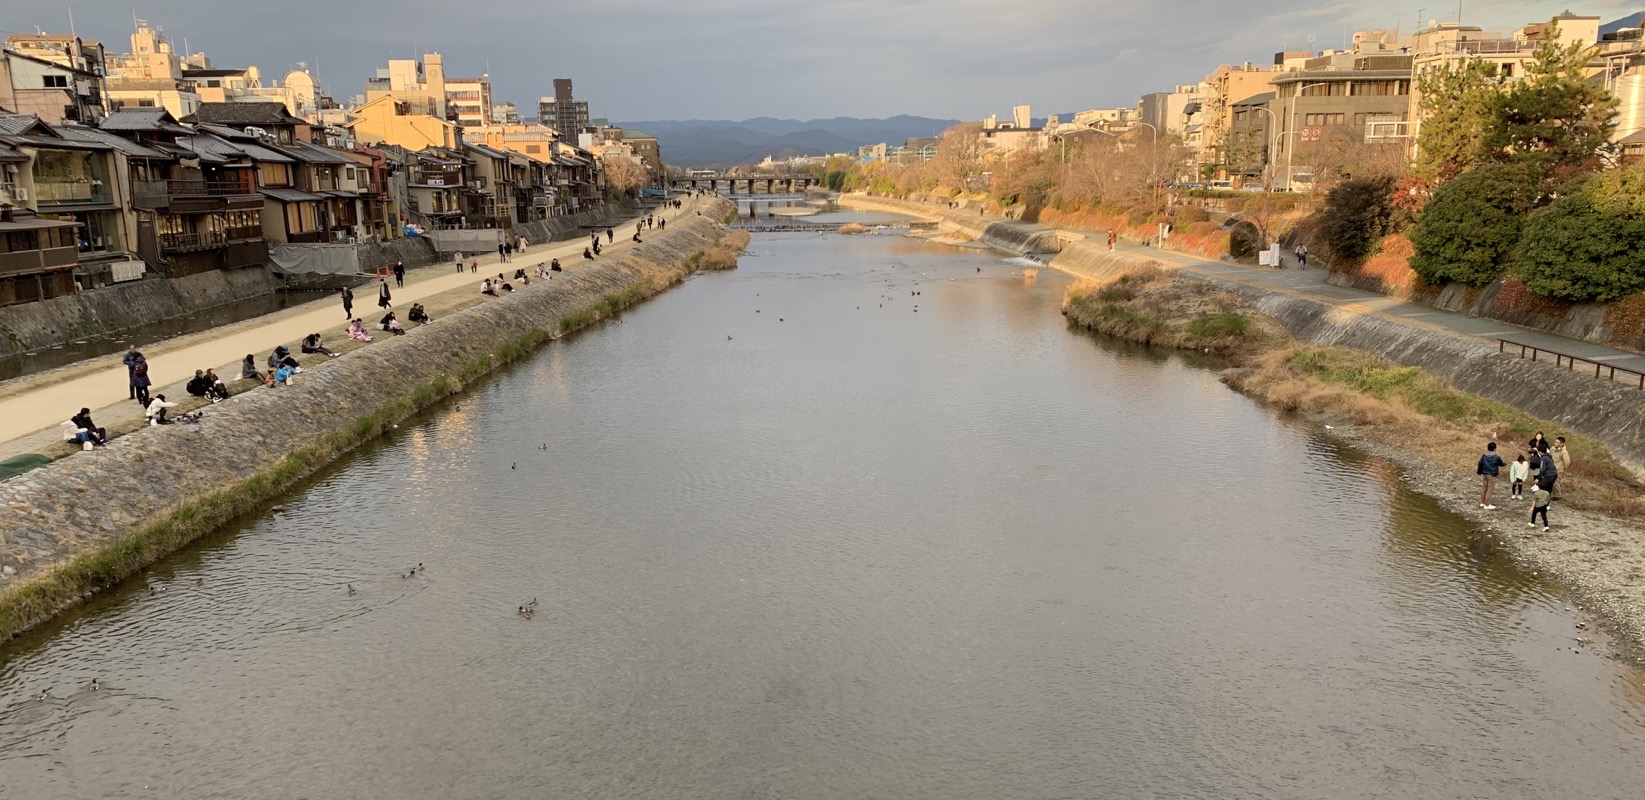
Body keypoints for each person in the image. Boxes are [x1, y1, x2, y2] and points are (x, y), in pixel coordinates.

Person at [1476, 441, 1505, 510]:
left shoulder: (1484, 455)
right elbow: (1501, 463)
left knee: (1484, 488)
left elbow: (1480, 463)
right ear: (1495, 448)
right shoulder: (1496, 457)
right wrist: (1505, 464)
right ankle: (1487, 504)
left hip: (1484, 474)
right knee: (1490, 489)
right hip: (1492, 474)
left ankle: (1482, 503)